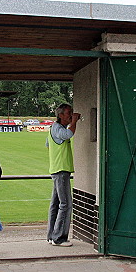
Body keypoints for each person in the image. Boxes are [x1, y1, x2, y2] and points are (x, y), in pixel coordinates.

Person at [45, 103, 80, 247]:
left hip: (57, 169)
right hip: (61, 170)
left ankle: (51, 235)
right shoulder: (58, 128)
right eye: (68, 113)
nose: (71, 115)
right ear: (60, 115)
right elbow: (69, 134)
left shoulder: (54, 129)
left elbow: (48, 144)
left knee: (56, 204)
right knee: (66, 204)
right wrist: (74, 122)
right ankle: (59, 238)